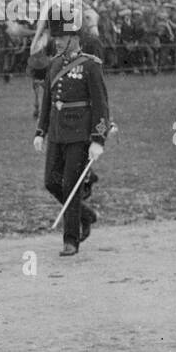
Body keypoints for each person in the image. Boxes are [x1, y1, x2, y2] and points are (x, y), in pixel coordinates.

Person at [34, 18, 109, 256]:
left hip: (79, 134)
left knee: (70, 186)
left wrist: (98, 139)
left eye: (61, 38)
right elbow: (47, 102)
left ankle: (71, 240)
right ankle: (86, 215)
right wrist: (40, 131)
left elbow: (100, 106)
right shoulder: (54, 64)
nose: (56, 42)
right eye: (55, 38)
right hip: (57, 133)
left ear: (74, 39)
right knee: (51, 182)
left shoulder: (90, 65)